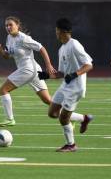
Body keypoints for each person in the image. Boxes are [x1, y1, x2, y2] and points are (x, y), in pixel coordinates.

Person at [0, 16, 89, 127]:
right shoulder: (9, 38)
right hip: (32, 71)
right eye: (6, 25)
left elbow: (41, 48)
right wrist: (0, 51)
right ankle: (82, 118)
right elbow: (8, 56)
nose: (8, 27)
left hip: (28, 69)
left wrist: (48, 65)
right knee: (49, 101)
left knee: (3, 90)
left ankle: (9, 119)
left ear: (17, 26)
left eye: (11, 25)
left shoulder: (23, 38)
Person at [38, 18, 93, 152]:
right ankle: (83, 118)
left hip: (76, 88)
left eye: (56, 30)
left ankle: (71, 145)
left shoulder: (74, 45)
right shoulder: (62, 48)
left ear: (61, 31)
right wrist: (47, 75)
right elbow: (63, 72)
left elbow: (89, 65)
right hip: (66, 85)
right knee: (52, 112)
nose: (55, 33)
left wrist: (75, 74)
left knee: (63, 118)